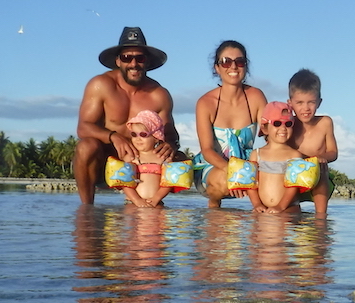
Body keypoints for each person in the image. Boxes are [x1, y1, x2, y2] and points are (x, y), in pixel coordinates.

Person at [74, 27, 180, 204]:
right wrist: (113, 137)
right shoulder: (101, 85)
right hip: (106, 160)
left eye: (140, 58)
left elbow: (170, 133)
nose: (133, 63)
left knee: (179, 158)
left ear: (147, 62)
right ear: (118, 61)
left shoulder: (159, 94)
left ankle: (153, 205)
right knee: (86, 147)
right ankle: (86, 209)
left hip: (142, 162)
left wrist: (170, 144)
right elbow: (83, 127)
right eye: (126, 58)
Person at [193, 40, 267, 208]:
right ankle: (214, 205)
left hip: (247, 165)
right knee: (223, 181)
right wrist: (233, 172)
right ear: (217, 68)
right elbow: (207, 150)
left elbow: (271, 135)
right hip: (213, 166)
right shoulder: (205, 103)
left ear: (245, 66)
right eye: (226, 62)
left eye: (239, 61)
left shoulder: (256, 97)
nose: (233, 67)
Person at [288, 69, 338, 217]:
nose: (306, 108)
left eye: (311, 102)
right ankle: (289, 210)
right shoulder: (288, 125)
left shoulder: (325, 123)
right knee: (290, 216)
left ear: (319, 102)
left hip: (318, 179)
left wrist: (322, 157)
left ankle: (320, 217)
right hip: (292, 180)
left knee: (321, 172)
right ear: (290, 104)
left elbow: (333, 152)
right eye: (300, 103)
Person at [110, 110, 185, 208]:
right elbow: (125, 182)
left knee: (159, 217)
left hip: (155, 202)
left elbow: (168, 183)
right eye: (133, 134)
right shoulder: (131, 157)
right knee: (130, 215)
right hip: (132, 202)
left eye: (143, 134)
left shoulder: (163, 158)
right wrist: (137, 200)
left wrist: (156, 199)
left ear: (156, 137)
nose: (138, 138)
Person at [245, 102, 305, 214]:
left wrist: (281, 207)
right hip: (263, 207)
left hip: (289, 207)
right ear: (265, 128)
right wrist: (257, 204)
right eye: (277, 123)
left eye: (288, 124)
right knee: (255, 224)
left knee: (282, 220)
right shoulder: (256, 154)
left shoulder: (294, 155)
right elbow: (251, 183)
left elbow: (293, 186)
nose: (283, 128)